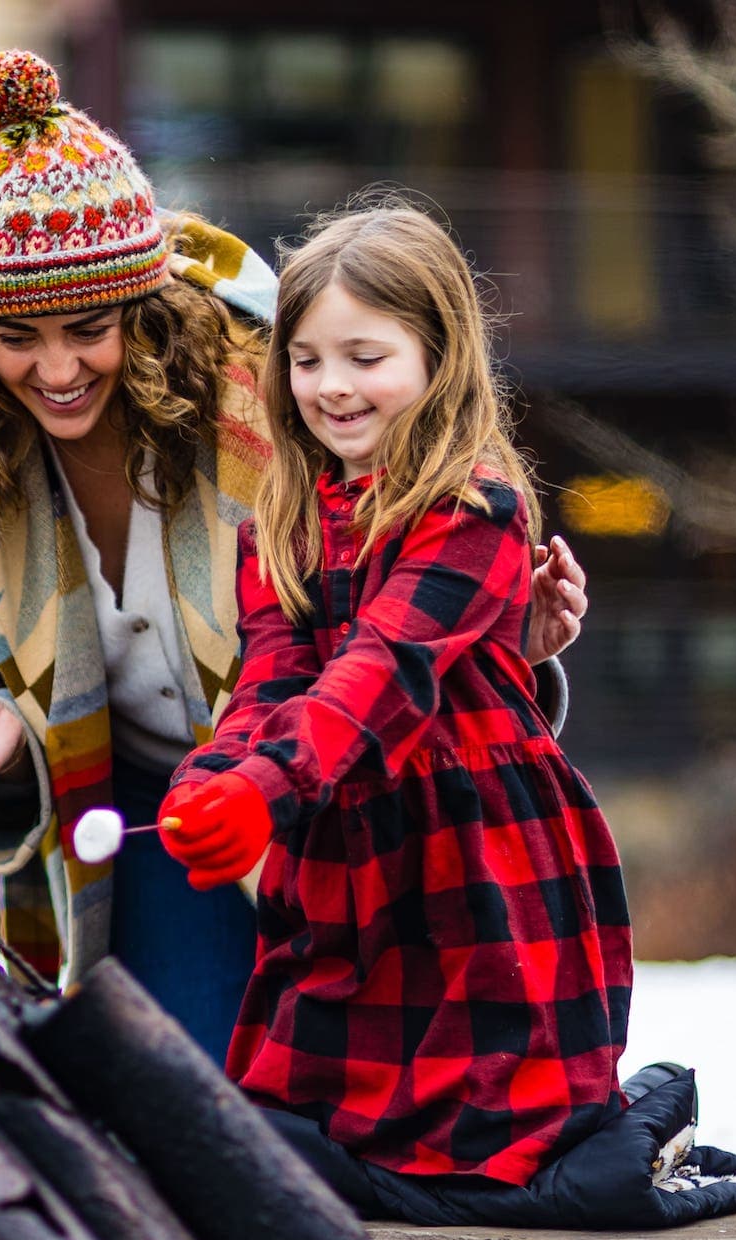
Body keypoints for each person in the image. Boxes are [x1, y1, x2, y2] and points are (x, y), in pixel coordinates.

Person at [0, 50, 588, 1065]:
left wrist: (505, 639)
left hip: (338, 791)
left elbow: (418, 554)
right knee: (192, 1094)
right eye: (16, 337)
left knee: (386, 1089)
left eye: (87, 328)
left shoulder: (269, 387)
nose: (54, 369)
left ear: (138, 304)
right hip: (140, 809)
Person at [158, 204, 629, 1187]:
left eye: (365, 357)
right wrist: (215, 774)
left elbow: (380, 675)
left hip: (477, 861)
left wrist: (267, 784)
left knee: (480, 1139)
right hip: (347, 860)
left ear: (438, 356)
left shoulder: (474, 509)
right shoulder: (277, 525)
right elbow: (273, 678)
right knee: (308, 1125)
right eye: (306, 360)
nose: (331, 386)